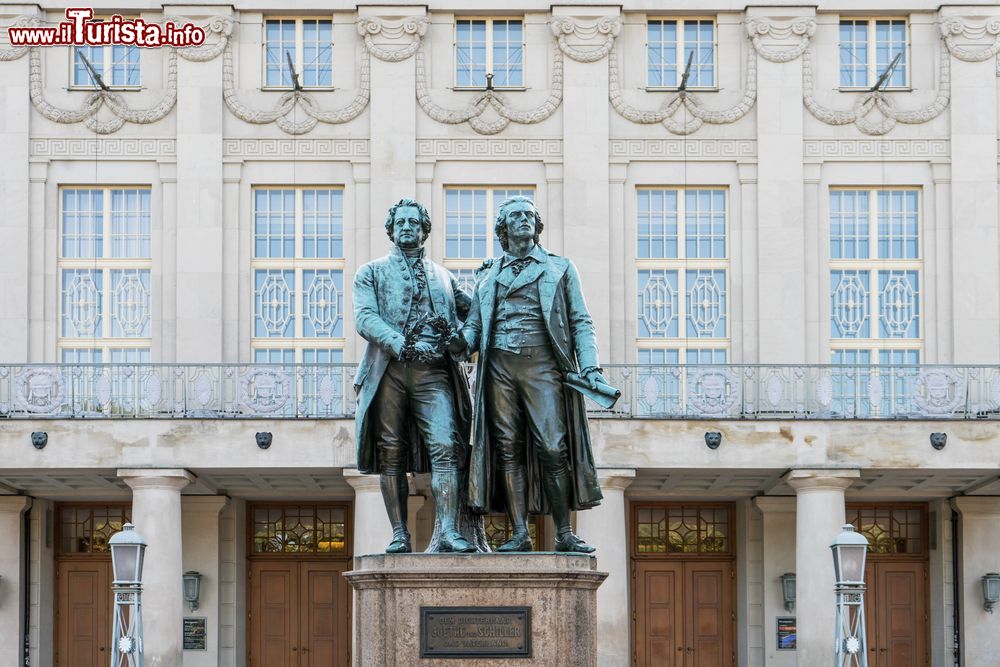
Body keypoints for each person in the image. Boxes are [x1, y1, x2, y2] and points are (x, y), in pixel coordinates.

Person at [457, 196, 606, 552]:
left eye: (529, 215)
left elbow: (581, 322)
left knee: (553, 448)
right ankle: (520, 533)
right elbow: (474, 330)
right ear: (503, 229)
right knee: (508, 450)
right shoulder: (488, 276)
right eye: (515, 216)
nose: (523, 220)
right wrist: (454, 340)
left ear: (537, 225)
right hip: (499, 371)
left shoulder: (560, 268)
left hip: (543, 367)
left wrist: (590, 367)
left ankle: (564, 533)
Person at [353, 198, 476, 553]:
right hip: (389, 370)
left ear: (424, 230)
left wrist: (460, 340)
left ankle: (450, 532)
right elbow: (365, 317)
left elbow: (474, 318)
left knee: (447, 447)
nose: (407, 227)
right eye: (401, 222)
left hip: (434, 372)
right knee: (391, 452)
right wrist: (399, 343)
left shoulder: (444, 277)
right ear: (391, 230)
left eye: (414, 222)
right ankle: (399, 533)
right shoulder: (371, 272)